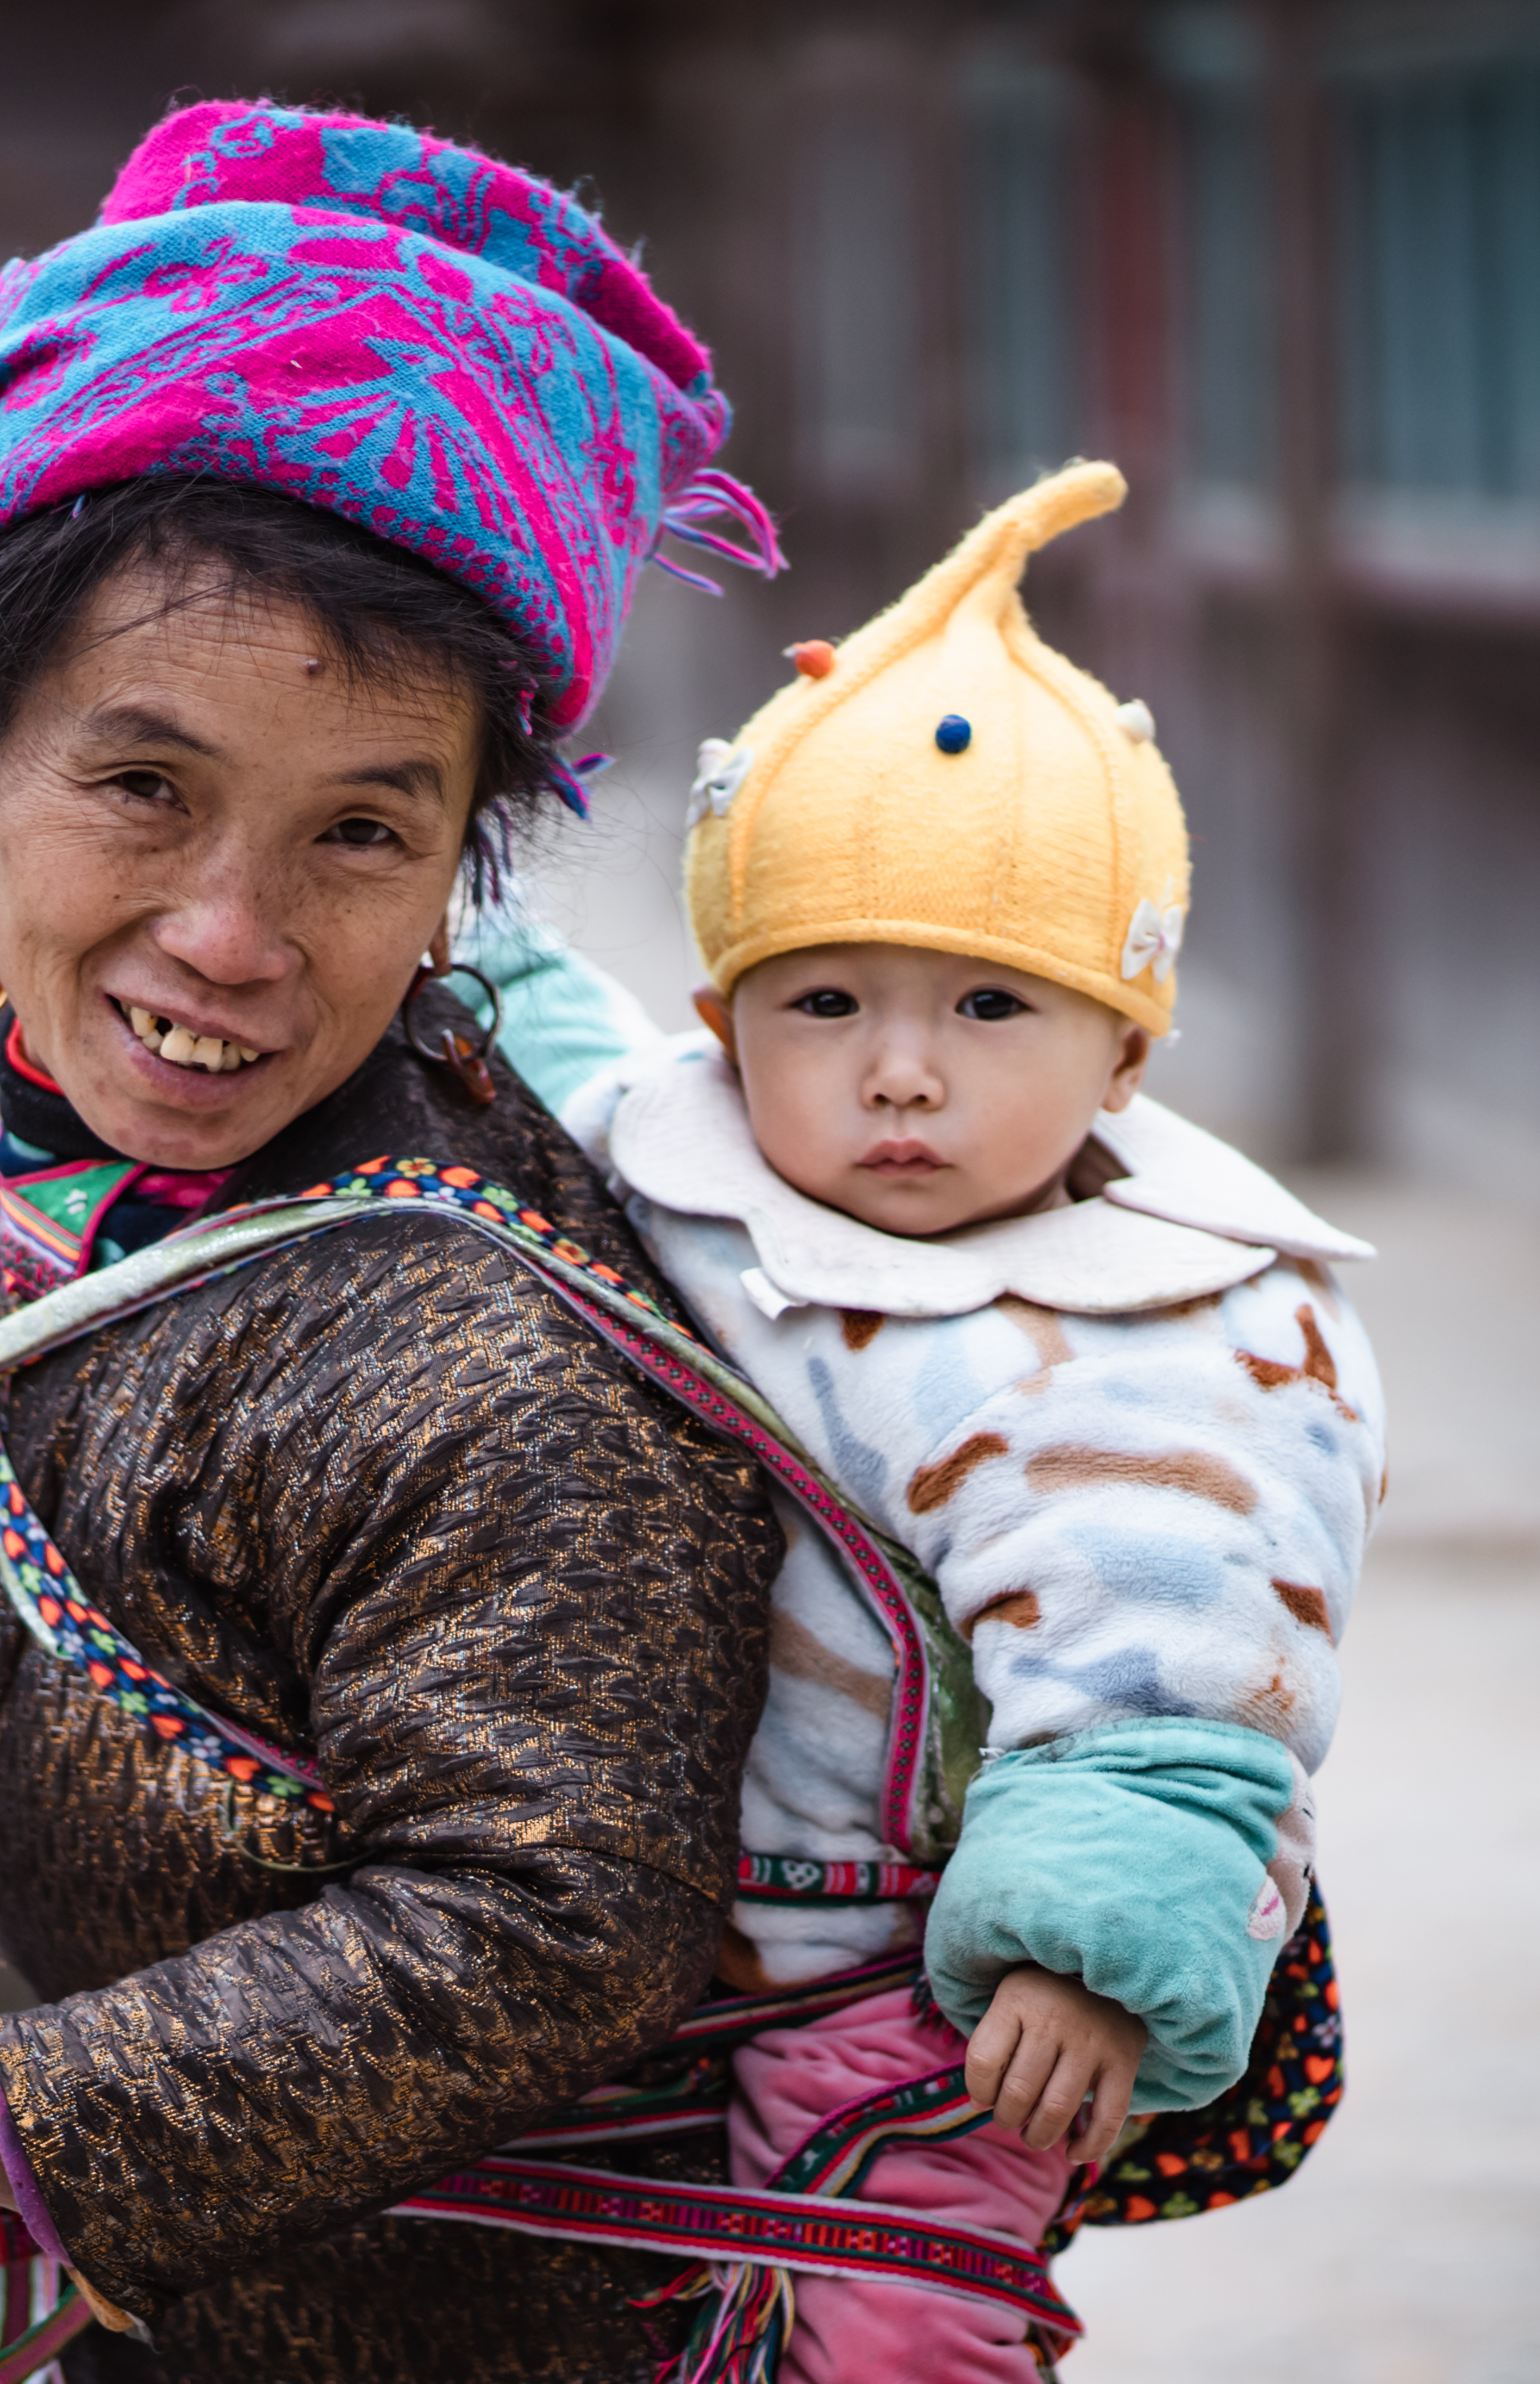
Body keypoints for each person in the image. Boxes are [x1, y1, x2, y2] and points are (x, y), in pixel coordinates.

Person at [0, 100, 808, 2382]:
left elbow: (554, 1921)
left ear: (475, 850)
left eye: (363, 833)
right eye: (141, 784)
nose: (226, 938)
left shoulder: (481, 1362)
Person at [473, 460, 1386, 2380]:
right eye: (824, 1003)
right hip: (677, 1920)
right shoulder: (707, 1153)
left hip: (932, 1976)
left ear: (1124, 1043)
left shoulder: (1157, 1343)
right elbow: (568, 1056)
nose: (897, 1073)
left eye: (989, 1008)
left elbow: (1173, 1679)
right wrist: (444, 940)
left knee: (900, 2328)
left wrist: (1084, 1941)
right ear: (727, 1021)